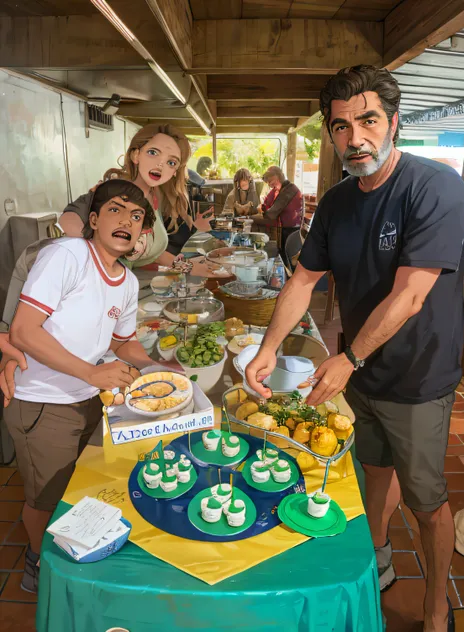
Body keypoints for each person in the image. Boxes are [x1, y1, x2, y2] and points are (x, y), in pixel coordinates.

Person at [246, 65, 464, 632]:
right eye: (341, 127)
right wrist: (268, 348)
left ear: (393, 122)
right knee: (373, 464)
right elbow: (302, 281)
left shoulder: (432, 185)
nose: (355, 138)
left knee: (426, 498)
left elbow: (412, 295)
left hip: (417, 374)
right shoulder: (339, 201)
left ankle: (437, 607)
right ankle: (377, 556)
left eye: (368, 120)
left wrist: (347, 359)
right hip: (363, 371)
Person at [3, 179, 162, 594]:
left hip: (87, 400)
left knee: (79, 484)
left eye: (137, 215)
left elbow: (121, 342)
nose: (127, 219)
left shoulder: (125, 282)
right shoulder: (67, 255)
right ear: (93, 219)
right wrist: (92, 374)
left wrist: (159, 368)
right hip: (43, 400)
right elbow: (22, 331)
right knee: (45, 496)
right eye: (116, 209)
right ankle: (37, 565)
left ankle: (71, 553)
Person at [59, 123, 214, 272]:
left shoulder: (154, 197)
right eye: (153, 153)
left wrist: (189, 267)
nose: (160, 165)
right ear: (136, 155)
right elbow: (68, 219)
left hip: (129, 284)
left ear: (175, 171)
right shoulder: (116, 190)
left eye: (171, 162)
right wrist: (100, 253)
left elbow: (153, 254)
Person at [250, 166, 303, 266]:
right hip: (284, 228)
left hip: (291, 230)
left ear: (278, 177)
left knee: (287, 259)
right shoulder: (281, 189)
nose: (270, 185)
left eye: (271, 181)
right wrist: (263, 208)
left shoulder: (289, 190)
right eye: (268, 183)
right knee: (284, 257)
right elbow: (268, 206)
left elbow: (271, 214)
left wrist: (262, 210)